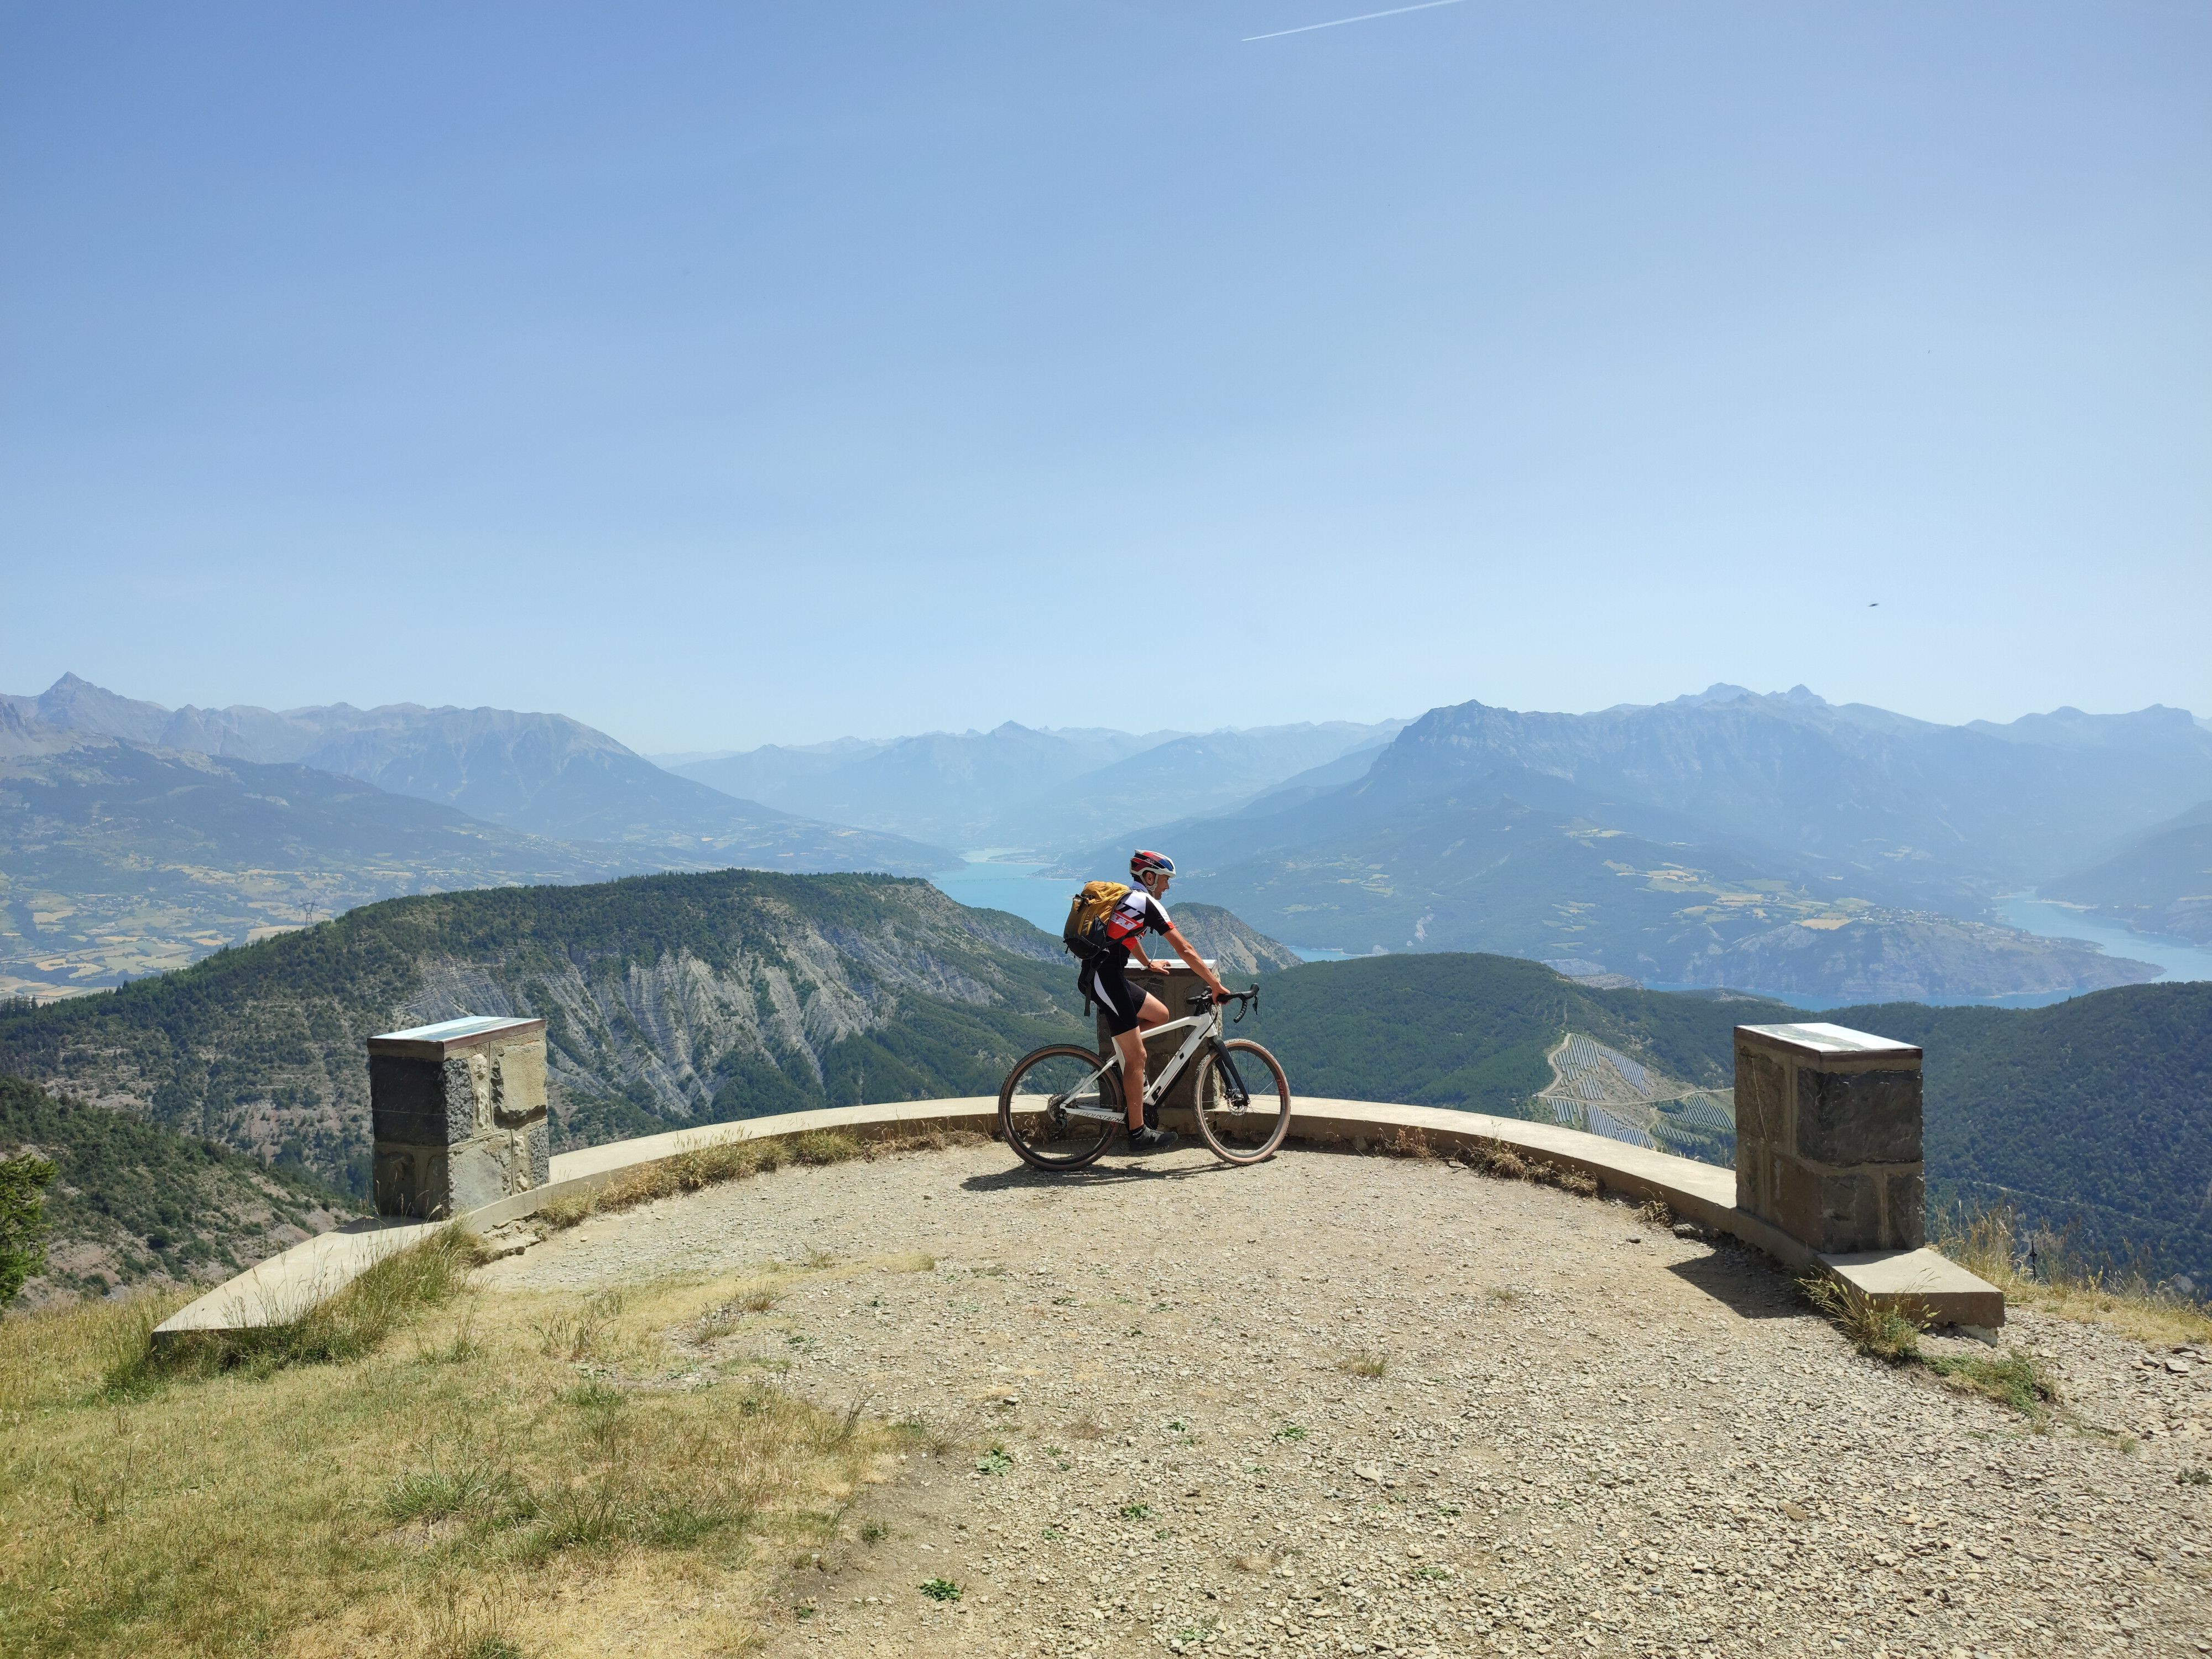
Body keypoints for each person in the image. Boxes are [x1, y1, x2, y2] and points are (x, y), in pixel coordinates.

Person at [1078, 850, 1232, 1153]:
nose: (1167, 887)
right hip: (1104, 980)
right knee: (1138, 1058)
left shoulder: (1129, 899)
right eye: (1164, 880)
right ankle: (1137, 1133)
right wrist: (1215, 985)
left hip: (1110, 977)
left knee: (1160, 1013)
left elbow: (1125, 936)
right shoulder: (1147, 903)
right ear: (1149, 878)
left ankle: (1128, 1055)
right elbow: (1185, 949)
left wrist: (1147, 963)